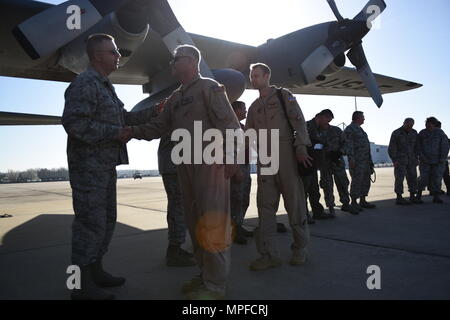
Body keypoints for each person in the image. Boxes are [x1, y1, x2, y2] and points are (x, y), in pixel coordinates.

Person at [128, 45, 241, 300]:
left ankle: (216, 286)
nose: (171, 64)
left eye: (175, 60)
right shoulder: (176, 98)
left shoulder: (209, 87)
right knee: (194, 223)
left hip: (210, 164)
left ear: (191, 61)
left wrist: (234, 156)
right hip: (184, 165)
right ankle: (204, 275)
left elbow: (230, 123)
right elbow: (158, 126)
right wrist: (131, 133)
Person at [62, 34, 159, 300]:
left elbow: (125, 118)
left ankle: (96, 271)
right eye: (113, 52)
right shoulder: (84, 84)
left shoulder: (105, 86)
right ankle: (79, 286)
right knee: (88, 225)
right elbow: (75, 124)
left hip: (104, 167)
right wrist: (115, 133)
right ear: (97, 56)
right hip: (88, 169)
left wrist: (155, 110)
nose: (118, 56)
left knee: (105, 222)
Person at [245, 63, 311, 271]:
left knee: (294, 202)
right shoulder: (254, 107)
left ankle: (300, 248)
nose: (252, 79)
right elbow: (249, 135)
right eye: (251, 76)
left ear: (267, 76)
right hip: (265, 158)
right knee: (265, 206)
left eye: (256, 76)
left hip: (286, 153)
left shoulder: (284, 96)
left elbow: (299, 122)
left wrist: (301, 147)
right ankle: (268, 254)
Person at [158, 135, 196, 266]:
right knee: (177, 207)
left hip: (179, 165)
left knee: (181, 207)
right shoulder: (172, 114)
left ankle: (176, 248)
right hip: (173, 166)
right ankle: (174, 251)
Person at [343, 111, 376, 214]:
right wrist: (351, 159)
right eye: (363, 117)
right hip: (357, 161)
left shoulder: (360, 129)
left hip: (365, 161)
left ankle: (363, 200)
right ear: (357, 117)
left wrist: (370, 161)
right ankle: (353, 202)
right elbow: (348, 145)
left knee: (366, 180)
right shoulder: (350, 129)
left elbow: (366, 146)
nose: (364, 119)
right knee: (357, 181)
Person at [318, 111, 351, 214]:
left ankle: (346, 204)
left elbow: (346, 144)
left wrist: (340, 152)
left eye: (330, 118)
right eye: (326, 117)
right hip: (324, 163)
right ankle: (331, 207)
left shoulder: (336, 131)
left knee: (342, 183)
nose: (328, 120)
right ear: (321, 117)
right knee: (327, 185)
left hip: (337, 162)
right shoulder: (315, 131)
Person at [230, 101, 253, 245]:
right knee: (236, 200)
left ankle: (239, 225)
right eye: (243, 109)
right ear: (236, 109)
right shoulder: (230, 127)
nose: (245, 111)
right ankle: (233, 230)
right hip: (236, 167)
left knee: (244, 199)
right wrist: (236, 169)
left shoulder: (242, 127)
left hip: (246, 166)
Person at [388, 118, 421, 205]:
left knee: (413, 177)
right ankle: (399, 197)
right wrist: (394, 160)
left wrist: (417, 158)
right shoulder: (396, 133)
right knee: (399, 178)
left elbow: (417, 146)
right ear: (404, 123)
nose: (410, 127)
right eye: (408, 125)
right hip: (400, 161)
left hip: (411, 160)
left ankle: (412, 196)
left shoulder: (414, 133)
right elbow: (392, 148)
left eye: (411, 125)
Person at [416, 117, 449, 203]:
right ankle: (418, 195)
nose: (428, 126)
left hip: (437, 162)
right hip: (425, 161)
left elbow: (445, 146)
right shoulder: (422, 133)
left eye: (430, 125)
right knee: (423, 178)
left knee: (437, 179)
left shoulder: (440, 133)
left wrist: (442, 158)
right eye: (427, 124)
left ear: (434, 125)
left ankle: (436, 196)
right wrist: (422, 157)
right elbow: (418, 146)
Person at [304, 113, 329, 219]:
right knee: (304, 190)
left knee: (314, 189)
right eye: (327, 120)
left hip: (313, 163)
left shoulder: (318, 129)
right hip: (305, 163)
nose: (327, 124)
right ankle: (304, 215)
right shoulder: (307, 126)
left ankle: (317, 212)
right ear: (320, 117)